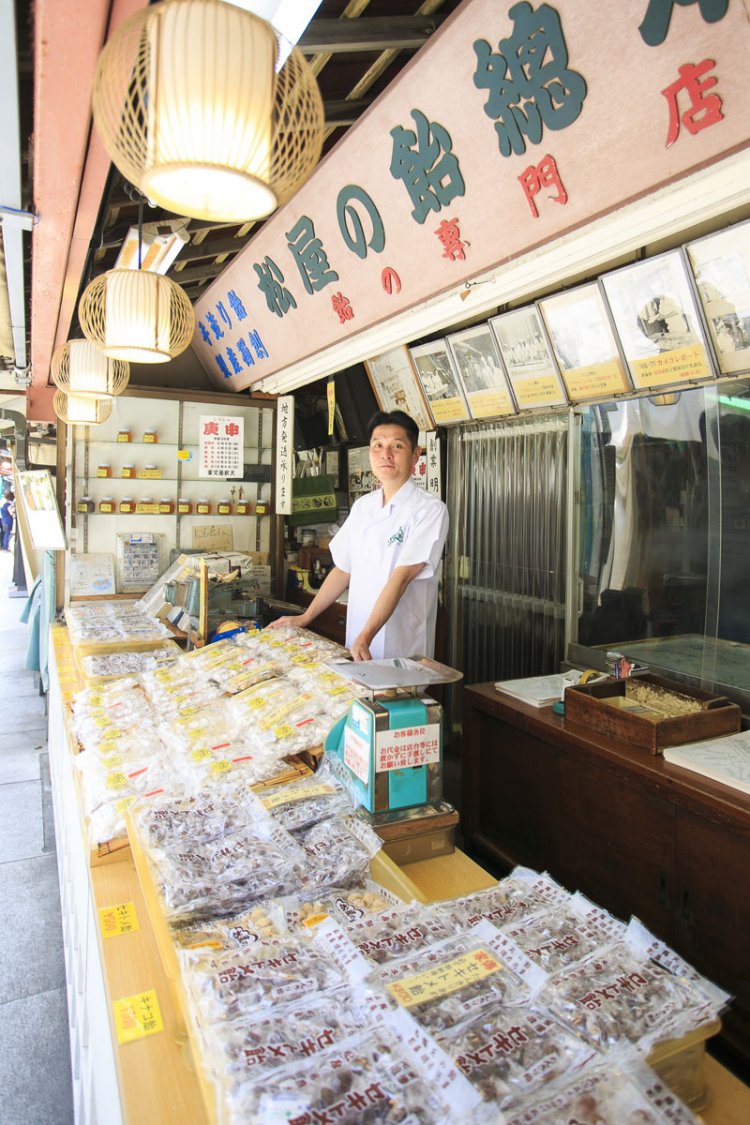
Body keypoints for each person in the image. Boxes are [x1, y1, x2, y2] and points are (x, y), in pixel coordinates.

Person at [272, 410, 449, 661]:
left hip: (402, 644)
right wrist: (305, 617)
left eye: (396, 446)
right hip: (358, 642)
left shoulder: (429, 510)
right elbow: (343, 569)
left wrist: (366, 635)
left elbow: (400, 578)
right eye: (377, 445)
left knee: (397, 697)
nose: (385, 454)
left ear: (415, 455)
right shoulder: (363, 507)